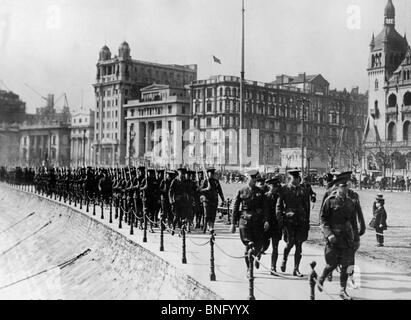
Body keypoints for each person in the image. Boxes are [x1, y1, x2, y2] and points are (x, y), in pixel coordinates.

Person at [317, 181, 359, 300]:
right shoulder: (330, 201)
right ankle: (322, 278)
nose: (345, 189)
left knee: (346, 264)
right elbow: (323, 220)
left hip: (346, 238)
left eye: (347, 186)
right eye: (343, 186)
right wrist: (328, 234)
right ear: (337, 187)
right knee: (332, 264)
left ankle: (342, 290)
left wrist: (356, 238)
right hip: (333, 238)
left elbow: (354, 222)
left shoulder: (350, 202)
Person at [231, 170, 269, 271]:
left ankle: (257, 255)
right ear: (247, 178)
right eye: (251, 178)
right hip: (245, 222)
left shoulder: (260, 192)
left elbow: (265, 208)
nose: (253, 181)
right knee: (248, 245)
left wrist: (266, 220)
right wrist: (233, 223)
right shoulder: (241, 190)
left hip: (257, 223)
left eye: (255, 179)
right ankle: (249, 269)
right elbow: (235, 207)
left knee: (258, 245)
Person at [276, 169, 310, 277]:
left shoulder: (303, 190)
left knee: (299, 244)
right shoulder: (284, 189)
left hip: (301, 220)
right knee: (290, 243)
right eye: (293, 178)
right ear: (290, 178)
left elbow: (307, 206)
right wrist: (280, 219)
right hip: (289, 220)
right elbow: (279, 205)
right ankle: (284, 259)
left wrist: (307, 221)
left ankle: (296, 269)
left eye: (297, 178)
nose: (296, 180)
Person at [262, 175, 283, 275]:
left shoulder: (280, 197)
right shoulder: (265, 196)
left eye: (276, 186)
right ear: (269, 186)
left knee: (275, 247)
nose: (274, 188)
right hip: (267, 224)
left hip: (276, 225)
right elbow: (264, 210)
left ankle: (273, 267)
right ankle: (258, 255)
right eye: (272, 186)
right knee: (264, 246)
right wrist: (265, 221)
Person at [199, 168, 225, 234]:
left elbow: (220, 191)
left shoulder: (216, 181)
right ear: (208, 174)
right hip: (206, 200)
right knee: (206, 215)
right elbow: (200, 190)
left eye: (213, 174)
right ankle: (205, 227)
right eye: (210, 174)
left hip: (214, 200)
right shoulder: (205, 181)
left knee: (213, 215)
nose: (212, 175)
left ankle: (211, 227)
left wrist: (223, 199)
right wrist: (206, 189)